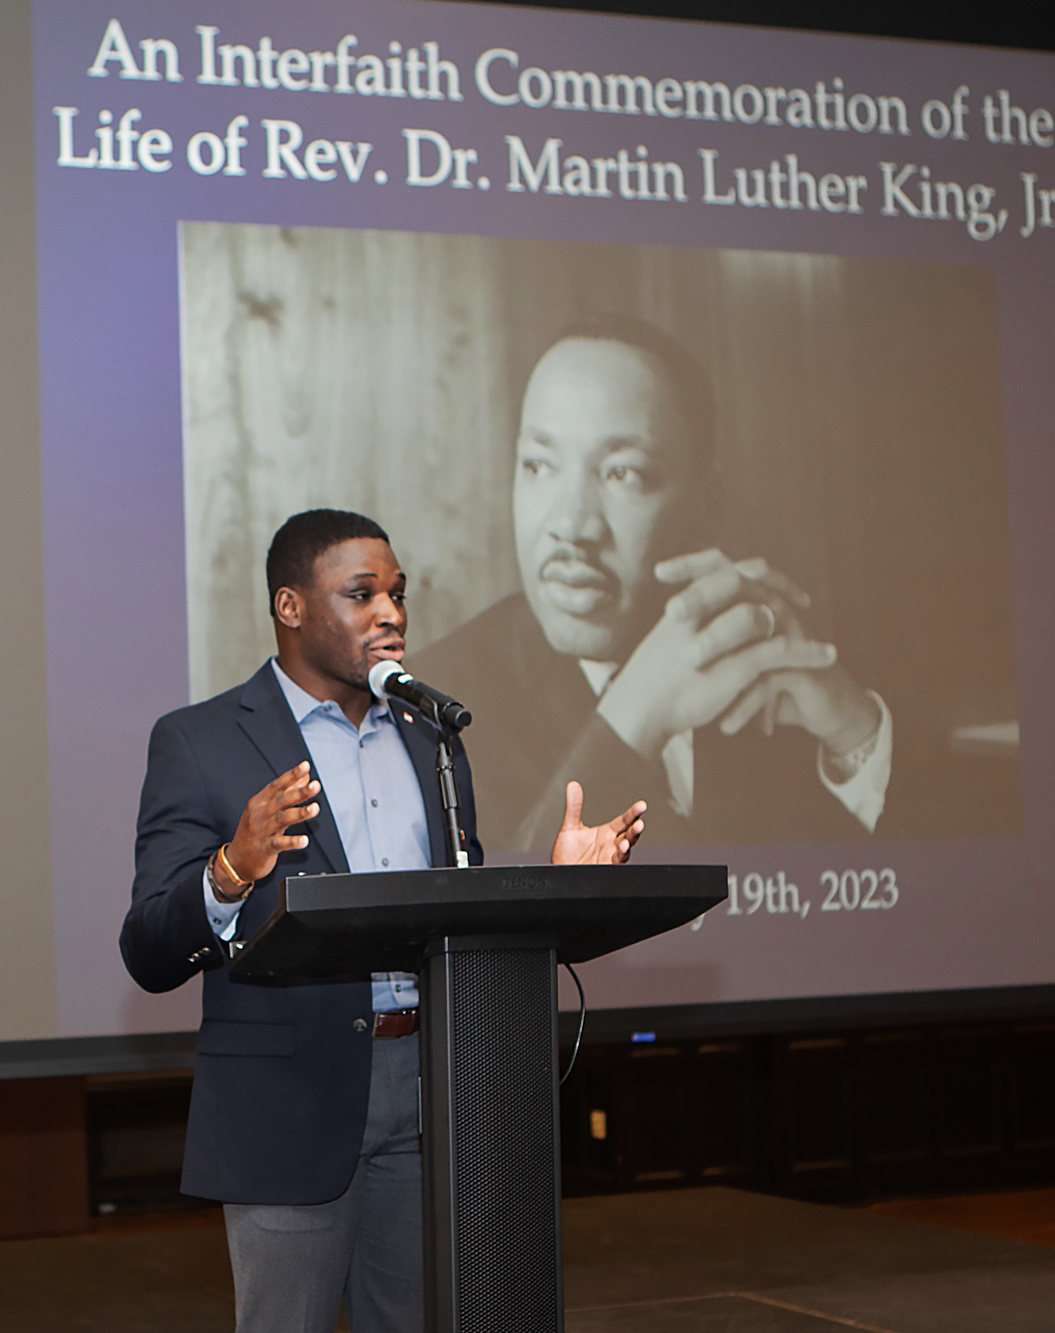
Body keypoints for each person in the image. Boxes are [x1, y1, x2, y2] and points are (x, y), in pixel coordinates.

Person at [121, 509, 642, 1333]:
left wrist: (556, 888)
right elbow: (148, 946)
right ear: (290, 607)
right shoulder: (202, 741)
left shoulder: (430, 736)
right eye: (361, 594)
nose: (391, 613)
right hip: (289, 1099)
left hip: (430, 1084)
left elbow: (452, 915)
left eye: (397, 593)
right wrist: (230, 867)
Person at [412, 314, 894, 851]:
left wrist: (855, 731)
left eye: (624, 473)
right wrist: (635, 715)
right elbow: (488, 921)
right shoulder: (426, 710)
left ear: (705, 506)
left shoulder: (766, 652)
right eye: (538, 465)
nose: (571, 526)